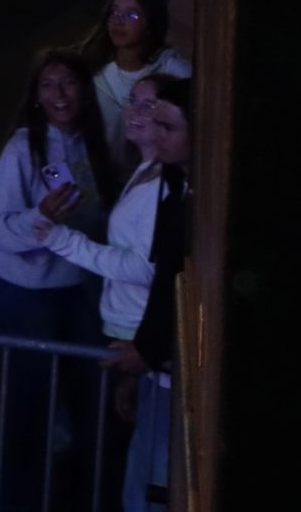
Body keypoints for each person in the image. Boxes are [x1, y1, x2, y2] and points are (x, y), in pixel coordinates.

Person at [36, 74, 191, 512]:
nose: (138, 113)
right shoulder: (148, 171)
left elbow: (146, 268)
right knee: (136, 454)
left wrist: (65, 242)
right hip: (137, 334)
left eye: (151, 107)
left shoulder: (166, 185)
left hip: (144, 336)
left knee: (148, 464)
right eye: (134, 102)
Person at [0, 50, 115, 511]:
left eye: (68, 83)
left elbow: (96, 217)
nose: (59, 94)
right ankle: (16, 502)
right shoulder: (22, 148)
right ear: (36, 96)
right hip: (24, 294)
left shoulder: (92, 144)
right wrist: (40, 216)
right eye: (48, 85)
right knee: (29, 406)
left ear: (85, 90)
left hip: (75, 290)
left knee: (87, 403)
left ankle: (74, 498)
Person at [82, 0, 189, 151]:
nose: (118, 20)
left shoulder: (172, 68)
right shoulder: (95, 70)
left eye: (131, 15)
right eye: (114, 12)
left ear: (150, 25)